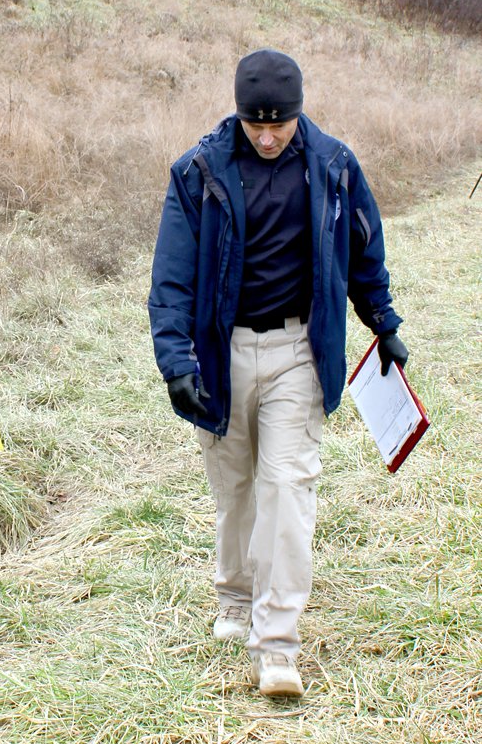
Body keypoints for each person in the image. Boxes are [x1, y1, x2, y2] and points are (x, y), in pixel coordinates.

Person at [148, 49, 408, 698]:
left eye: (279, 125)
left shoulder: (335, 167)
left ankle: (277, 645)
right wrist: (175, 360)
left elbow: (363, 250)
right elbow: (172, 276)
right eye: (255, 124)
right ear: (238, 113)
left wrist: (384, 323)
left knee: (287, 489)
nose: (267, 136)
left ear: (298, 113)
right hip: (222, 354)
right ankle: (234, 599)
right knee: (235, 492)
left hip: (298, 352)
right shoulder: (199, 171)